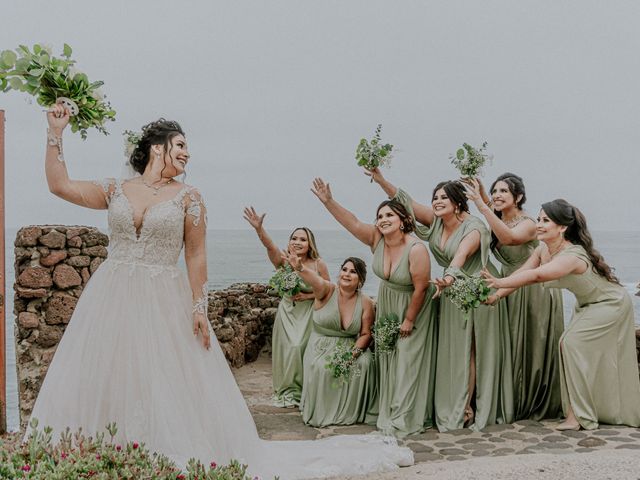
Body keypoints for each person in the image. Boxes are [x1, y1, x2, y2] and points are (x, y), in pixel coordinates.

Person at [28, 105, 412, 479]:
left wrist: (199, 307)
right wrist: (55, 134)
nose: (187, 153)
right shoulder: (116, 189)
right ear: (157, 147)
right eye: (180, 146)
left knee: (164, 374)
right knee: (111, 369)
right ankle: (105, 450)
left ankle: (161, 450)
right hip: (111, 295)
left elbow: (195, 255)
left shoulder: (189, 197)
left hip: (163, 295)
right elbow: (59, 185)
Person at [367, 168, 513, 431]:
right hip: (448, 294)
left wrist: (448, 277)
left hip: (475, 293)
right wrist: (380, 179)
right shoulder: (435, 221)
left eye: (443, 197)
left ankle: (467, 406)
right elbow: (405, 203)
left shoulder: (475, 227)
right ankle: (448, 402)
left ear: (458, 202)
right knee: (451, 352)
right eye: (434, 197)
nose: (436, 201)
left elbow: (460, 255)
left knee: (470, 350)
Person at [482, 199, 640, 431]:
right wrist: (497, 295)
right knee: (571, 348)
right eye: (538, 219)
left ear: (562, 227)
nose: (539, 224)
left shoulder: (572, 256)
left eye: (546, 220)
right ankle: (577, 413)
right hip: (587, 305)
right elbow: (524, 272)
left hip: (610, 305)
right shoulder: (542, 249)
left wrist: (498, 281)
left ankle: (578, 417)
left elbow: (536, 276)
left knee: (569, 343)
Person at [311, 177, 438, 437]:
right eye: (379, 215)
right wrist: (329, 202)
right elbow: (353, 222)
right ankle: (389, 407)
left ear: (403, 219)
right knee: (387, 358)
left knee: (407, 360)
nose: (383, 219)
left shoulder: (416, 249)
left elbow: (421, 288)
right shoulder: (376, 240)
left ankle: (406, 415)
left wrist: (409, 320)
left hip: (414, 307)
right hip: (389, 302)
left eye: (389, 214)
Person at [463, 174, 563, 420]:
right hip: (505, 286)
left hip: (532, 286)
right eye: (495, 190)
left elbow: (509, 238)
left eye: (504, 191)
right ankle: (509, 399)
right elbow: (497, 221)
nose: (498, 195)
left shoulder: (528, 223)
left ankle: (529, 401)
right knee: (508, 345)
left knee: (528, 344)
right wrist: (483, 195)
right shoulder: (498, 217)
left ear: (517, 197)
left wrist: (482, 204)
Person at [243, 209, 329, 407]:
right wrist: (259, 229)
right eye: (294, 238)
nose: (297, 242)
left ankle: (303, 390)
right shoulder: (284, 261)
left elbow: (327, 290)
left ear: (310, 245)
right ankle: (288, 390)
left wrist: (307, 295)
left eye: (303, 239)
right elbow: (270, 246)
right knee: (288, 351)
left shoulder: (318, 264)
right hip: (288, 312)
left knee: (301, 348)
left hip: (308, 313)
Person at [284, 253, 377, 427]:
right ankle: (324, 411)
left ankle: (352, 412)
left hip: (349, 344)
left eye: (353, 272)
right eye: (344, 269)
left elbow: (365, 334)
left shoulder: (366, 302)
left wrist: (352, 355)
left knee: (365, 362)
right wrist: (300, 268)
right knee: (322, 367)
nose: (347, 274)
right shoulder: (327, 290)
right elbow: (316, 281)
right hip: (321, 343)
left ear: (361, 280)